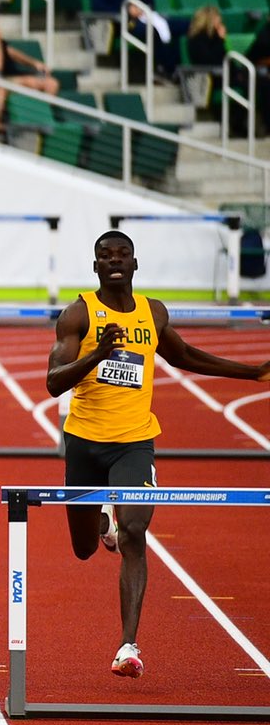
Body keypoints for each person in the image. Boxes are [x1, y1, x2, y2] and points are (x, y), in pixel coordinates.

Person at [44, 231, 270, 678]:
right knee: (84, 548)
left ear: (133, 263)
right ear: (95, 268)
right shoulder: (78, 314)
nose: (114, 261)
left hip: (134, 441)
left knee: (135, 531)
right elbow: (54, 382)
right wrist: (100, 353)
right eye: (105, 256)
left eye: (121, 254)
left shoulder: (153, 312)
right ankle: (101, 523)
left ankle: (128, 646)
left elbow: (183, 355)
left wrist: (253, 373)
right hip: (85, 443)